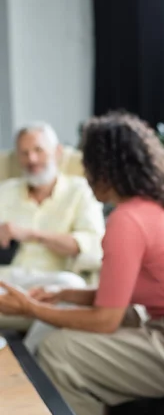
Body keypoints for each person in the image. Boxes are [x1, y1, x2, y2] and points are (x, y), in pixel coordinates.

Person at [0, 112, 164, 415]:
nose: (85, 173)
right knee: (79, 316)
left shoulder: (127, 220)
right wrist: (62, 295)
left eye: (89, 163)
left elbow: (104, 319)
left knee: (59, 351)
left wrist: (30, 308)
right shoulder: (155, 206)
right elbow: (117, 295)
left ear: (107, 167)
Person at [0, 121, 104, 295]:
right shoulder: (5, 191)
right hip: (6, 277)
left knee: (72, 285)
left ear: (57, 152)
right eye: (24, 153)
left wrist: (32, 235)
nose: (31, 159)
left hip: (53, 278)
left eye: (38, 150)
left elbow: (92, 244)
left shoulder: (80, 191)